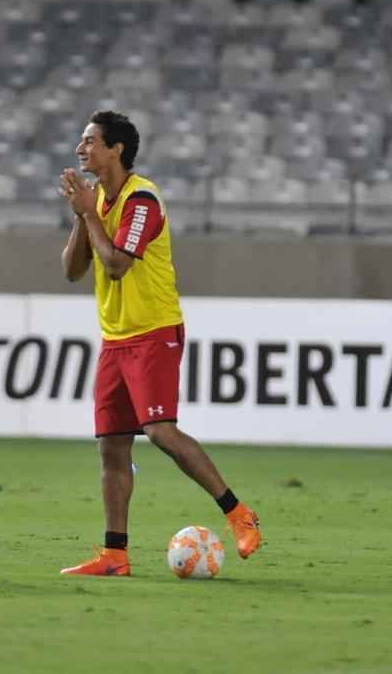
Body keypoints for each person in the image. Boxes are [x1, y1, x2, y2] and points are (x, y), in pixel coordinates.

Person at [57, 110, 261, 576]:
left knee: (160, 430)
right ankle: (114, 554)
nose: (79, 148)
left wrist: (90, 213)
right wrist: (81, 217)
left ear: (116, 149)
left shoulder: (141, 199)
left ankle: (239, 513)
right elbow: (72, 270)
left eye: (89, 141)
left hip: (153, 333)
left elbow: (115, 265)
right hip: (115, 339)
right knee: (111, 447)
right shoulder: (99, 203)